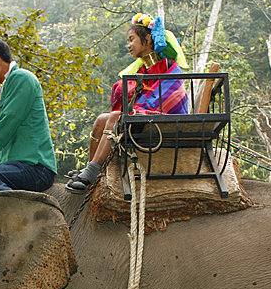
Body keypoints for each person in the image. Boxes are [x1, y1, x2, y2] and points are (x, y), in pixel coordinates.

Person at [66, 13, 190, 194]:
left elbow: (168, 98)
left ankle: (91, 172)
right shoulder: (143, 70)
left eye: (132, 39)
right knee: (102, 119)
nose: (129, 45)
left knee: (116, 116)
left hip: (163, 120)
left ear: (147, 39)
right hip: (144, 116)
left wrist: (138, 110)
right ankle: (91, 169)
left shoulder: (169, 67)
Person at [0, 36, 58, 194]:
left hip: (35, 167)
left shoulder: (22, 78)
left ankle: (24, 216)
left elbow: (7, 126)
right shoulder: (9, 85)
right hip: (18, 167)